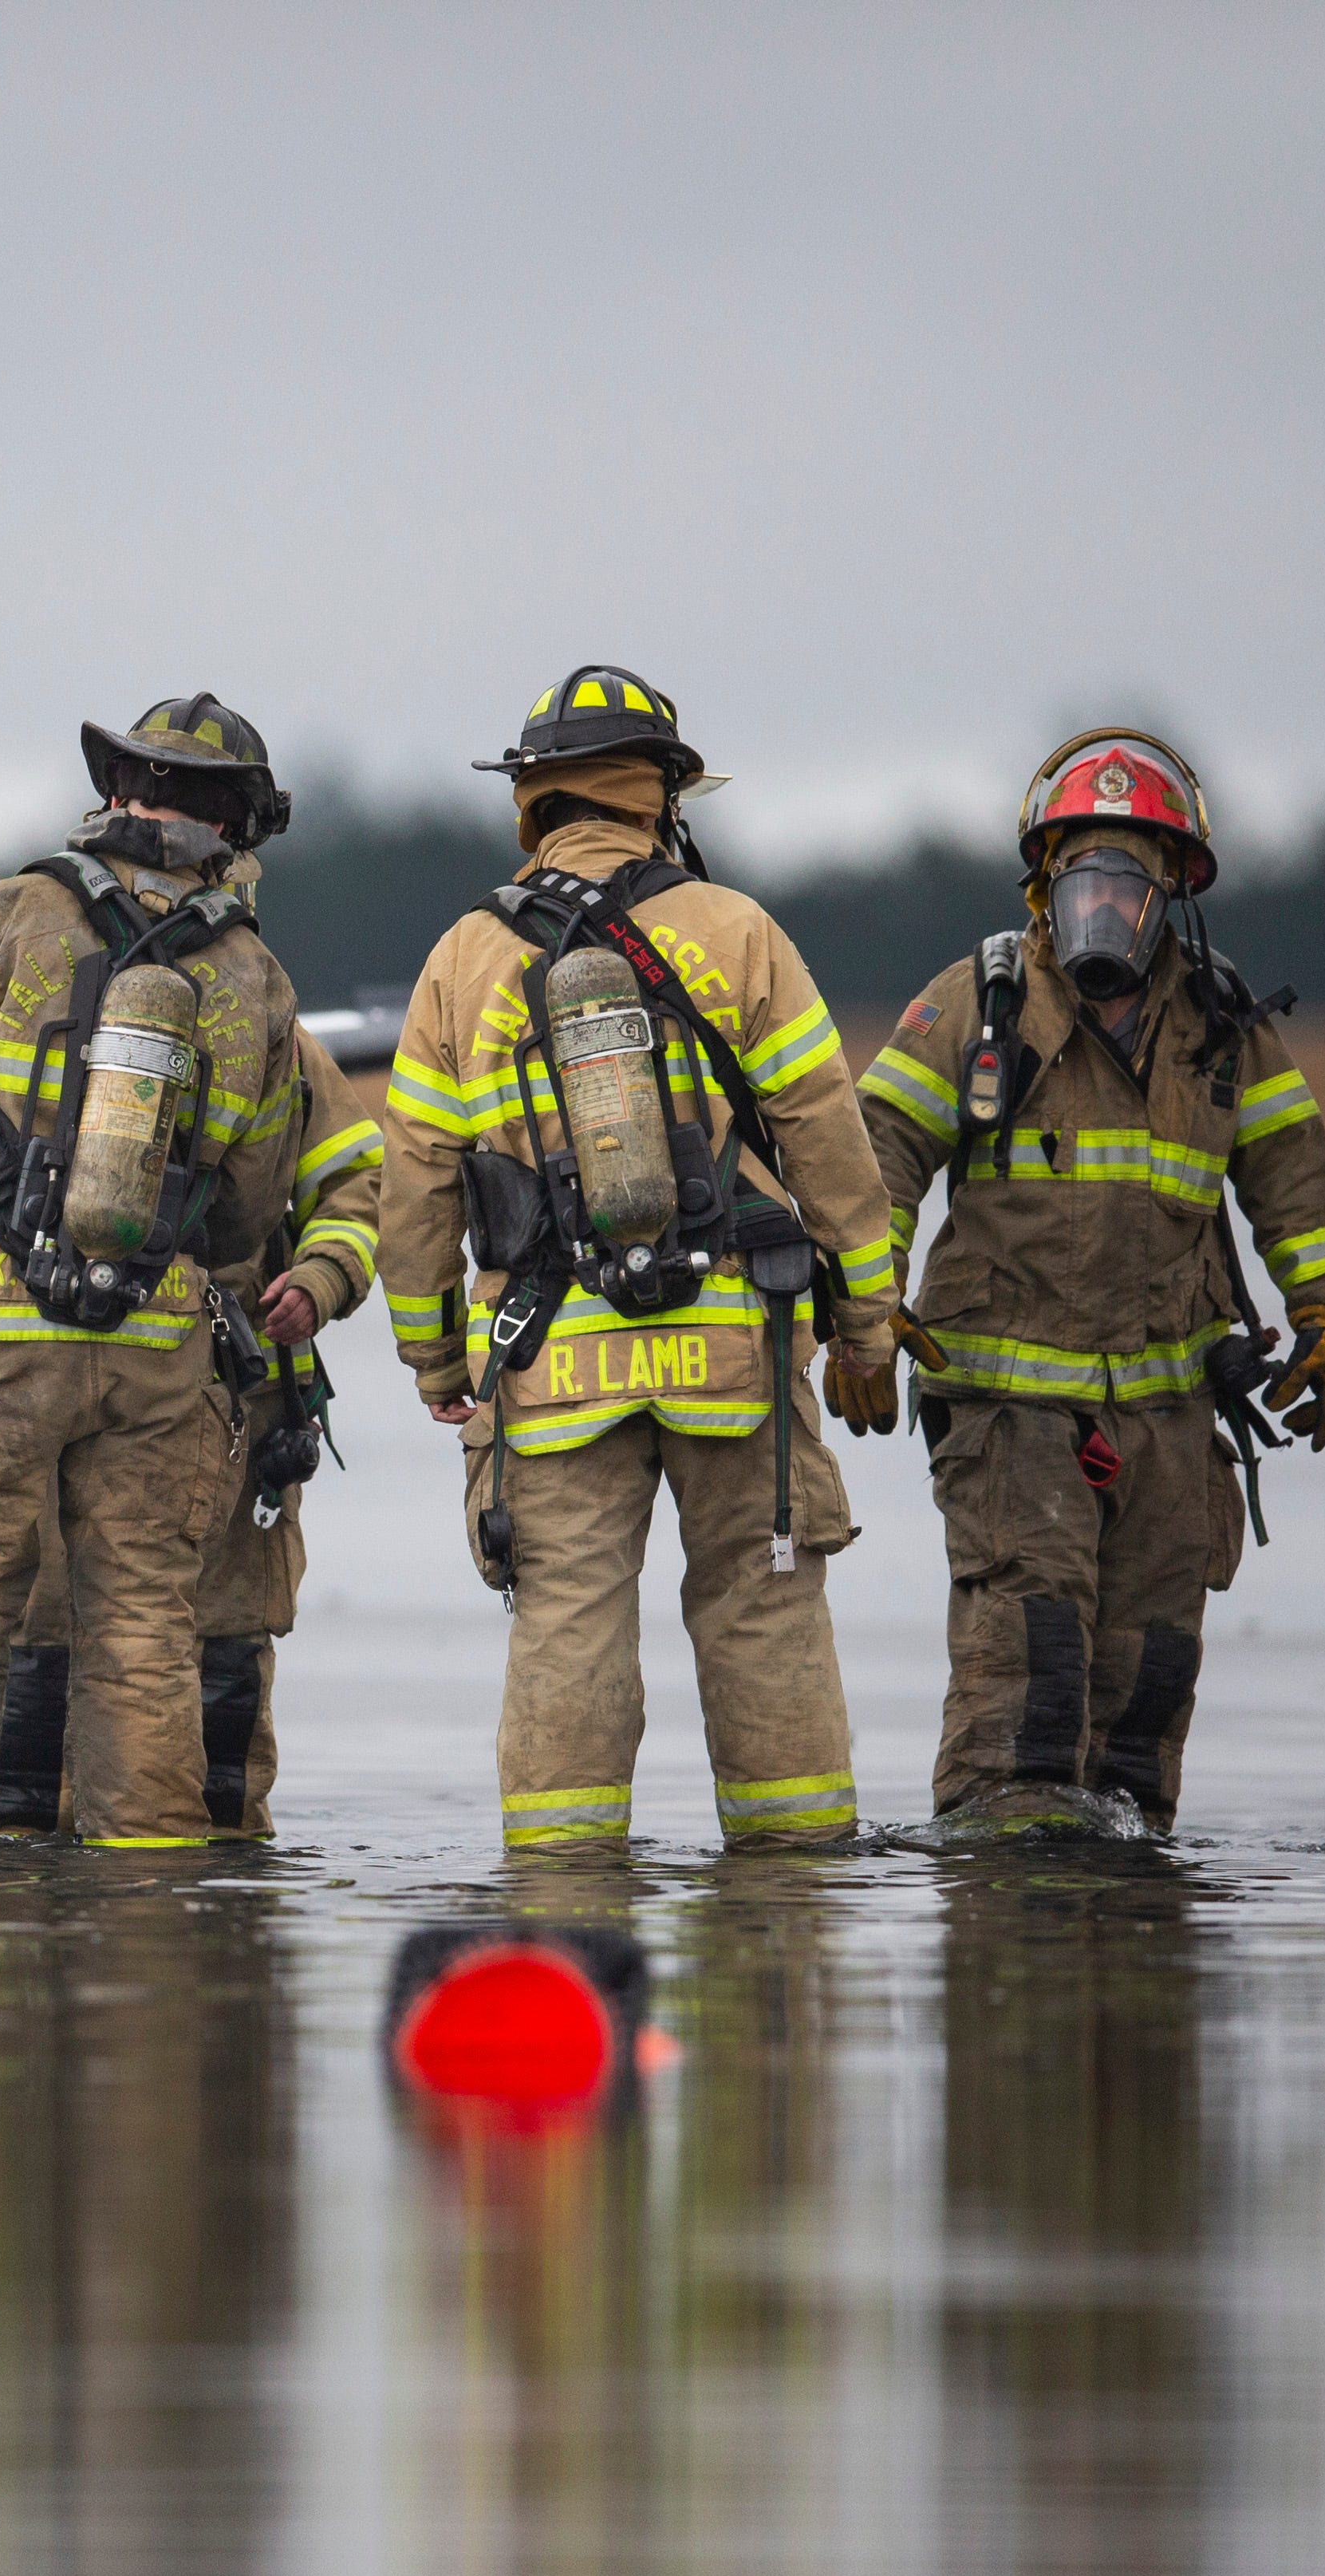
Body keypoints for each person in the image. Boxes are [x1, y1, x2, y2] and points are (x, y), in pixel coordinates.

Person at [372, 665, 904, 1851]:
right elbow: (827, 1135)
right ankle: (791, 1907)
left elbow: (412, 1171)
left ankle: (563, 1911)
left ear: (536, 802)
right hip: (735, 1342)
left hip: (548, 1360)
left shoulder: (464, 958)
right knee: (763, 1610)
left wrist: (429, 1352)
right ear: (662, 796)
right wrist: (867, 1318)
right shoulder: (738, 930)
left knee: (566, 1619)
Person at [839, 728, 1325, 1828]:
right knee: (1031, 1683)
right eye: (1088, 875)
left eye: (1132, 879)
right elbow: (875, 1153)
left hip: (1170, 1421)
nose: (1108, 905)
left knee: (1146, 1694)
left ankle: (1128, 1953)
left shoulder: (1222, 1027)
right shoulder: (979, 1006)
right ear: (1047, 881)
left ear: (1174, 890)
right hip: (1010, 1416)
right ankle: (1007, 1932)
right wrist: (865, 1306)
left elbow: (1292, 1178)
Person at [0, 695, 329, 1849]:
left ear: (118, 792)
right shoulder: (252, 977)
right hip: (157, 1346)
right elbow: (257, 1197)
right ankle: (152, 1898)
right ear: (236, 828)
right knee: (142, 1634)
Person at [0, 1021, 382, 1835]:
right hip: (88, 1376)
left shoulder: (271, 1034)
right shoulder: (59, 1011)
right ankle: (53, 1862)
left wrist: (320, 1276)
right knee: (48, 1627)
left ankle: (190, 1859)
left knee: (218, 1638)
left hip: (219, 1378)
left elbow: (351, 1182)